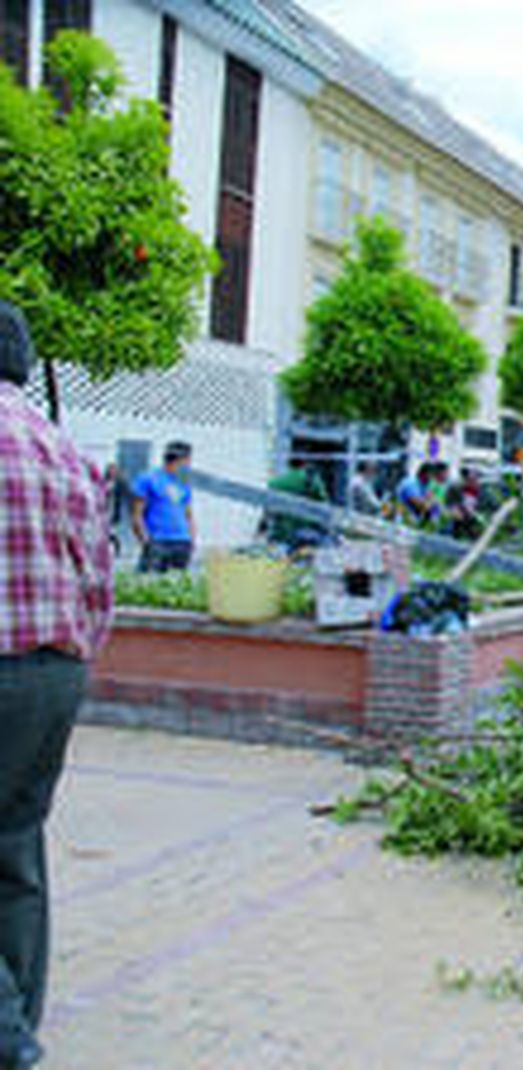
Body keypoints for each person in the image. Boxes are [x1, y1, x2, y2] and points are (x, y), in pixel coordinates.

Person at [0, 301, 115, 1070]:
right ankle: (21, 1022)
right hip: (54, 674)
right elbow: (98, 582)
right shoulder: (61, 446)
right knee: (16, 852)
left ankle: (7, 1036)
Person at [130, 441, 195, 573]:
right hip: (158, 540)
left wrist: (191, 540)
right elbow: (137, 515)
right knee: (150, 581)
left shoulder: (183, 483)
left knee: (178, 583)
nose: (189, 465)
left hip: (182, 542)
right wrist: (146, 542)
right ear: (180, 460)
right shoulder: (148, 479)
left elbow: (188, 515)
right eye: (188, 460)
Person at [265, 457, 330, 553]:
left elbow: (269, 507)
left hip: (282, 532)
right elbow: (324, 504)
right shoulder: (313, 481)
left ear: (289, 464)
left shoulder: (276, 482)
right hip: (306, 532)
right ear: (304, 464)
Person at [395, 463, 441, 528]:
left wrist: (433, 503)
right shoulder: (411, 482)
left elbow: (435, 502)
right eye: (432, 474)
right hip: (402, 515)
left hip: (412, 516)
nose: (433, 477)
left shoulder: (425, 485)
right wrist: (430, 505)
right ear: (425, 473)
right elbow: (417, 502)